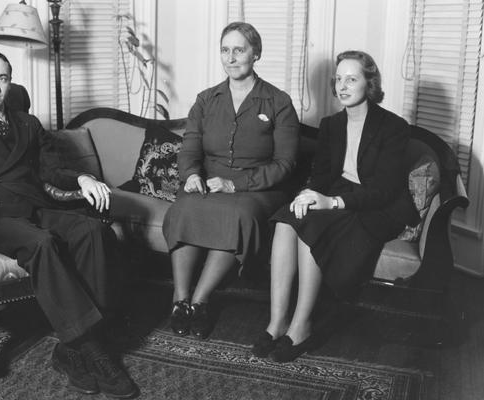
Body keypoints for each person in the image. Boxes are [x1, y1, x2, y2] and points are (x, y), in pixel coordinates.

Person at [0, 49, 138, 398]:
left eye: (2, 78)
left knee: (93, 230)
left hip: (34, 207)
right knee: (41, 242)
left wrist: (83, 178)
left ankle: (70, 349)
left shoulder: (27, 123)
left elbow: (52, 171)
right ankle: (93, 349)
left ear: (9, 81)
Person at [251, 50, 420, 362]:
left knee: (310, 225)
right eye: (339, 79)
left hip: (377, 207)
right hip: (341, 196)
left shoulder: (394, 127)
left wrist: (332, 201)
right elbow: (322, 175)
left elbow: (384, 190)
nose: (343, 85)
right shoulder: (331, 124)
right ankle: (277, 323)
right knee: (287, 218)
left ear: (369, 83)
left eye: (352, 79)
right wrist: (308, 194)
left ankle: (301, 326)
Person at [162, 22, 300, 339]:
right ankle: (179, 301)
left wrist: (235, 184)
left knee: (237, 214)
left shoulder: (278, 102)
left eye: (239, 49)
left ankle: (199, 301)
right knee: (183, 207)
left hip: (257, 189)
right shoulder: (207, 99)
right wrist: (192, 175)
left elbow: (286, 164)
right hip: (209, 184)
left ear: (256, 54)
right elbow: (189, 149)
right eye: (225, 50)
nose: (231, 57)